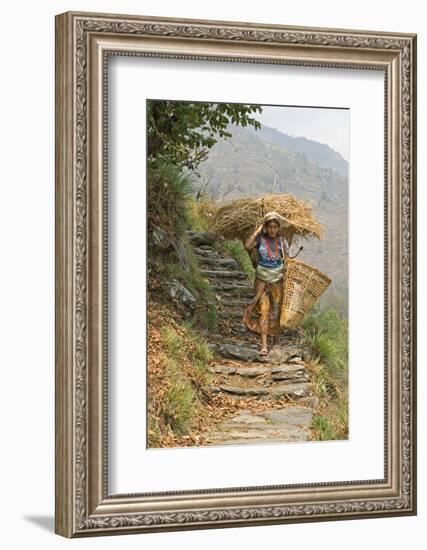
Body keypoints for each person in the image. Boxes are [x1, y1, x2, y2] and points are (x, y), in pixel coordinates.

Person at [242, 211, 290, 355]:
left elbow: (287, 261)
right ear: (266, 227)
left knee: (276, 312)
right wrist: (257, 231)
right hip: (262, 281)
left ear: (278, 228)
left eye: (275, 227)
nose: (272, 230)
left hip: (277, 281)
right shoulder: (260, 239)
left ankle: (275, 342)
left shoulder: (282, 242)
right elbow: (248, 245)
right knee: (264, 311)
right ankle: (263, 344)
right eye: (269, 227)